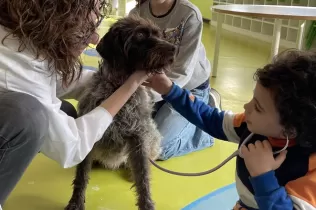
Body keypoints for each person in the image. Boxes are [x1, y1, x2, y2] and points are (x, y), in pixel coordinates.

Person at [0, 0, 150, 206]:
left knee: (66, 111)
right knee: (28, 116)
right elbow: (71, 146)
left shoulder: (19, 38)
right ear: (57, 20)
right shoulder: (16, 68)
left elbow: (53, 82)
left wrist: (111, 81)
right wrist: (130, 86)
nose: (95, 38)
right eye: (87, 28)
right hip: (19, 114)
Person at [145, 49, 316, 209]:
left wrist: (263, 175)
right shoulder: (252, 126)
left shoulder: (310, 166)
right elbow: (212, 118)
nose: (246, 107)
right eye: (252, 99)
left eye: (258, 108)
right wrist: (169, 89)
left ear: (289, 131)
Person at [129, 0, 221, 160]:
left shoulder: (189, 14)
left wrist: (145, 98)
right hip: (151, 90)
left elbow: (182, 72)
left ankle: (203, 130)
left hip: (185, 91)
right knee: (127, 138)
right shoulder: (136, 13)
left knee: (156, 149)